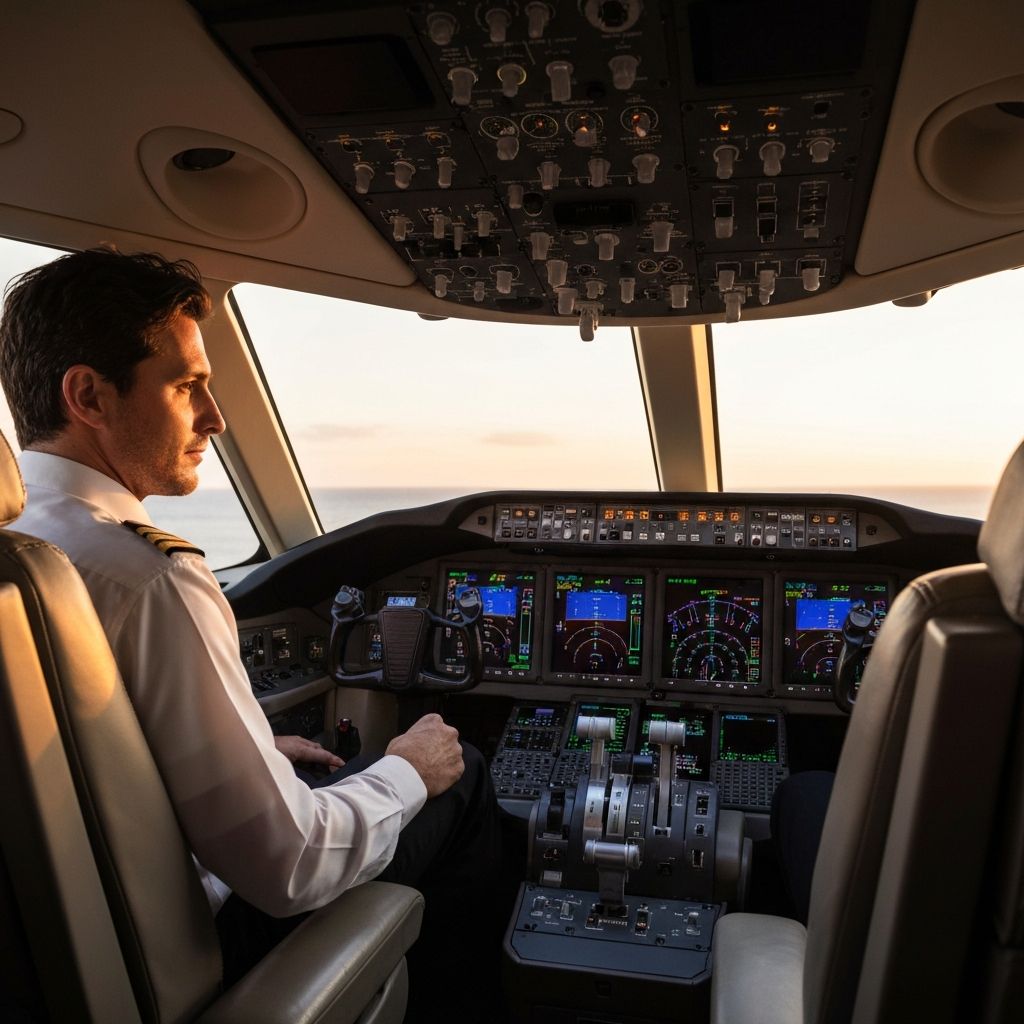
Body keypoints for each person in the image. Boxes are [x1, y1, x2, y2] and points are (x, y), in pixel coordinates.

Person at [0, 247, 505, 1019]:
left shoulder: (21, 546)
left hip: (54, 945)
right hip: (181, 946)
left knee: (326, 770)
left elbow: (72, 758)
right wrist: (409, 768)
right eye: (186, 386)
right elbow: (289, 865)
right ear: (89, 396)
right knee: (460, 773)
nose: (216, 417)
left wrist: (251, 753)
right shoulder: (152, 577)